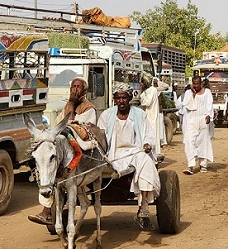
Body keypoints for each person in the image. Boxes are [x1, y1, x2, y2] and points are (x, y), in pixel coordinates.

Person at [28, 77, 97, 225]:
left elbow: (73, 127)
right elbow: (58, 125)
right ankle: (47, 210)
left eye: (78, 87)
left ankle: (52, 210)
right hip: (65, 146)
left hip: (81, 150)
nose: (75, 90)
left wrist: (71, 106)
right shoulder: (67, 106)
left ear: (85, 91)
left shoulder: (89, 108)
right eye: (73, 86)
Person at [97, 83, 160, 230]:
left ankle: (143, 206)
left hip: (134, 153)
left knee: (145, 161)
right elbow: (100, 138)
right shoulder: (106, 115)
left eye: (124, 97)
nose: (121, 101)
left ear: (130, 98)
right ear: (114, 99)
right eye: (118, 98)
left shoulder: (140, 115)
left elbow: (148, 136)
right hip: (111, 155)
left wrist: (147, 145)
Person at [182, 75, 214, 174]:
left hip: (203, 119)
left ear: (201, 83)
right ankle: (190, 166)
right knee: (189, 142)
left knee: (203, 142)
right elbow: (188, 106)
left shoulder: (207, 92)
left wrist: (209, 115)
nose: (196, 86)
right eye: (194, 84)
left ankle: (203, 165)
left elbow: (210, 104)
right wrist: (194, 94)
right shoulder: (188, 93)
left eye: (197, 84)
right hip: (192, 120)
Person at [139, 72, 163, 161]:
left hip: (151, 118)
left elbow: (147, 102)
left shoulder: (152, 90)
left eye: (142, 82)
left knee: (151, 138)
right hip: (147, 117)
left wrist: (141, 94)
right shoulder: (147, 91)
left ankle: (153, 159)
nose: (140, 84)